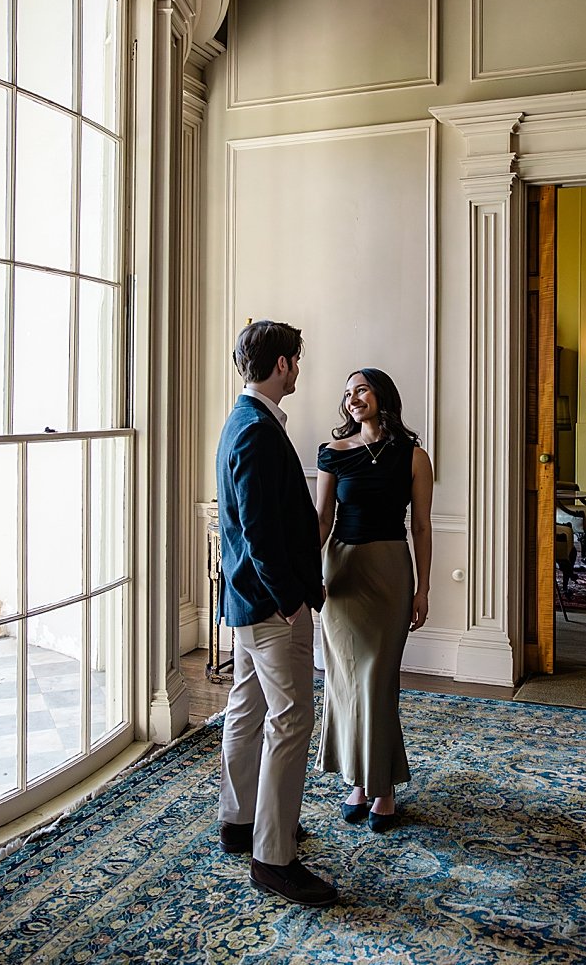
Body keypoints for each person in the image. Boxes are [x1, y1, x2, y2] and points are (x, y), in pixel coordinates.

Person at [215, 319, 337, 907]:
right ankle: (274, 857)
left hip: (247, 602)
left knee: (247, 706)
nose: (299, 369)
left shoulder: (244, 421)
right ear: (284, 364)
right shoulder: (257, 432)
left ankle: (239, 823)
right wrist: (290, 600)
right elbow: (260, 533)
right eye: (297, 359)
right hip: (271, 607)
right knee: (290, 722)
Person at [315, 368, 434, 830]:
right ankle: (358, 784)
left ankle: (381, 788)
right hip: (342, 573)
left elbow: (421, 527)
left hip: (389, 574)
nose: (352, 398)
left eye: (360, 389)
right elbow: (323, 518)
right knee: (344, 682)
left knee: (379, 684)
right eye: (347, 393)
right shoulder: (332, 454)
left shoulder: (413, 456)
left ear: (382, 395)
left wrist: (423, 588)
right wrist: (310, 572)